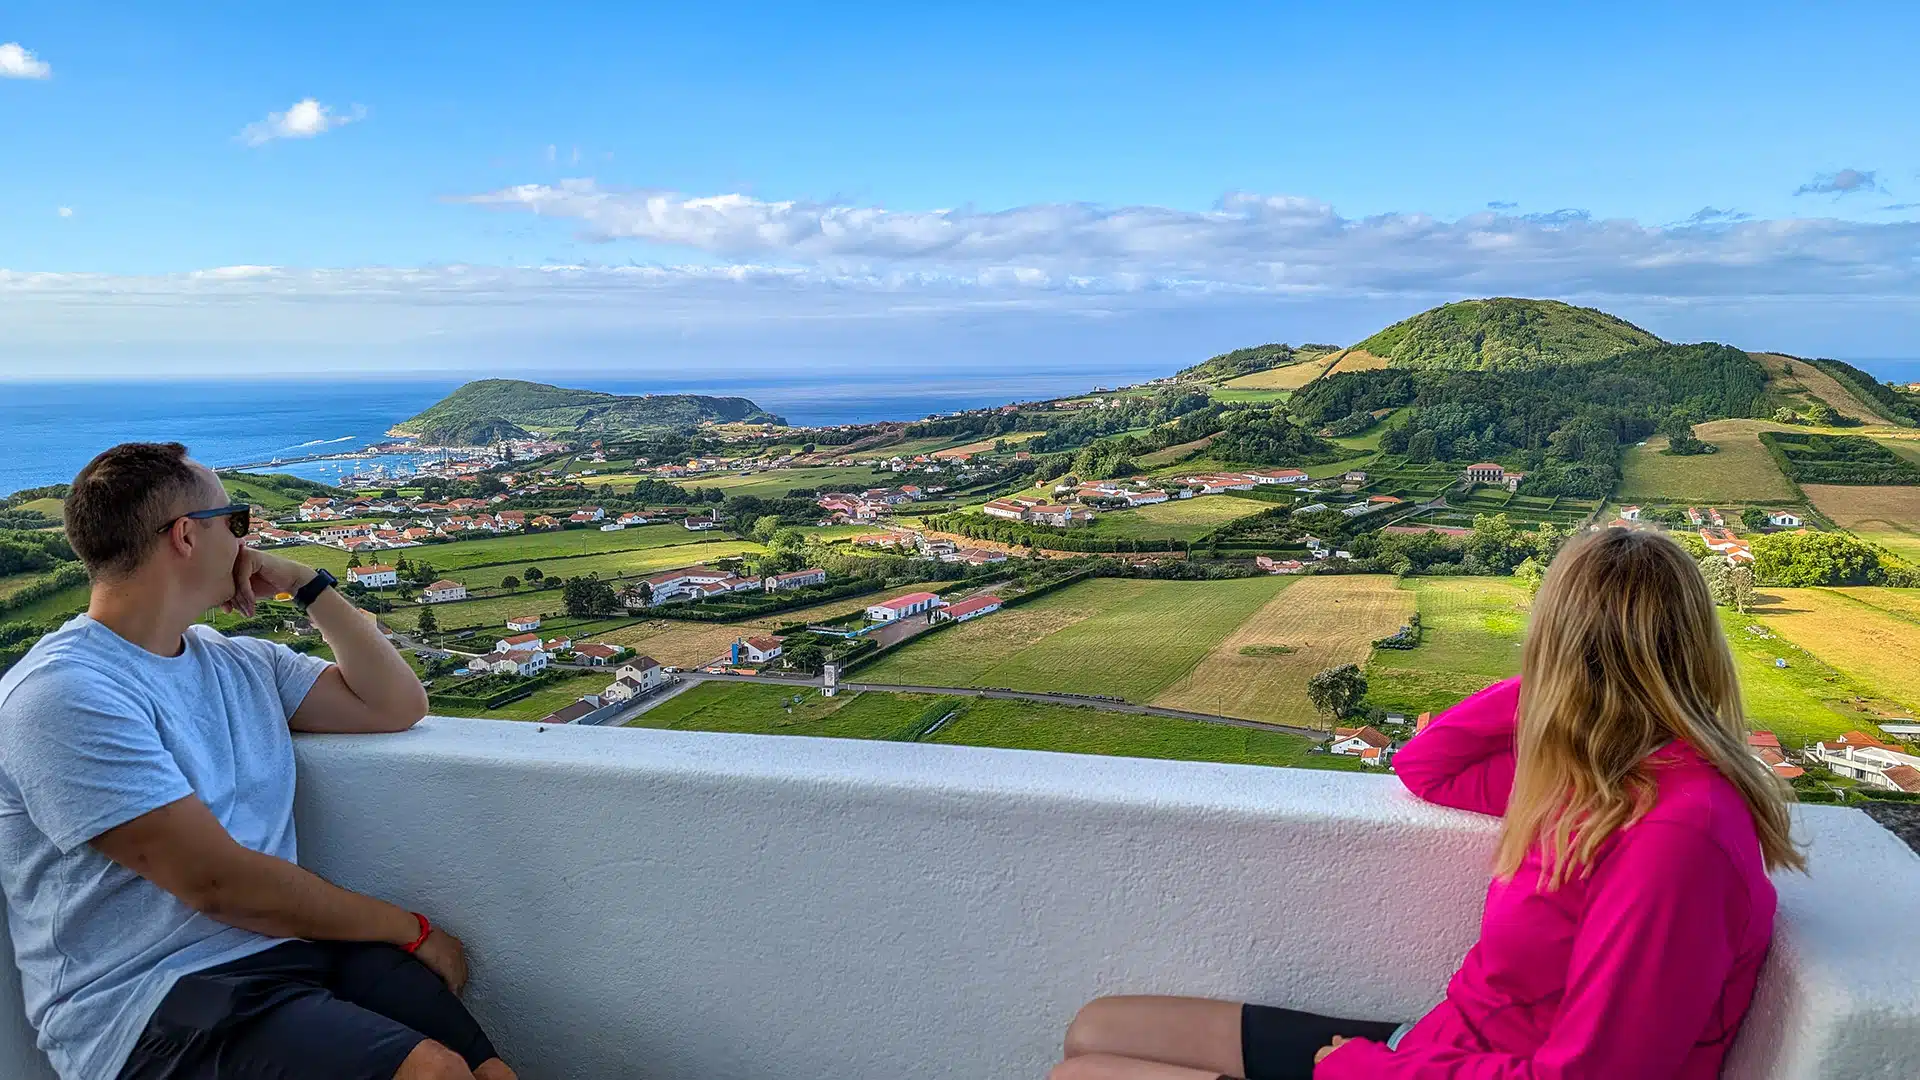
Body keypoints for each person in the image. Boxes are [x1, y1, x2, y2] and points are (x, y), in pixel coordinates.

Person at [1052, 527, 1803, 1079]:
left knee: (1082, 1077)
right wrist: (1552, 688)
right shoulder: (1592, 772)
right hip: (1439, 1045)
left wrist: (1359, 1070)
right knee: (1096, 1027)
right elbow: (1426, 766)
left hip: (1422, 1067)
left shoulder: (1677, 835)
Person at [0, 443, 514, 1080]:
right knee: (431, 1074)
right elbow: (218, 885)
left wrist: (308, 585)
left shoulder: (237, 662)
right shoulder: (63, 694)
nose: (249, 543)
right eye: (237, 521)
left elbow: (396, 704)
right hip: (149, 1001)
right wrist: (408, 929)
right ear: (186, 536)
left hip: (286, 950)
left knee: (489, 1072)